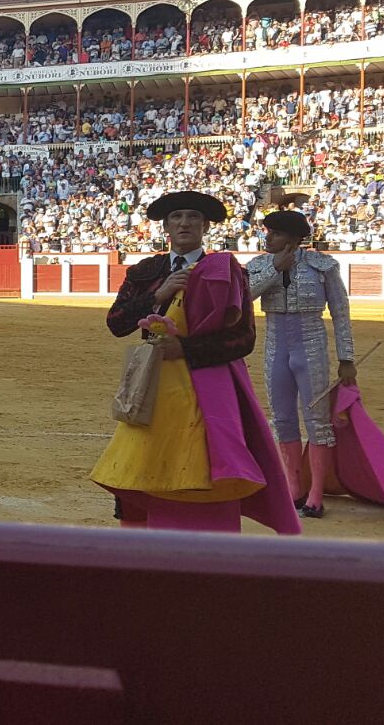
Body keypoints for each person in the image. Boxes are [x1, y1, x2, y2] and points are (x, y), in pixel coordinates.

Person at [91, 191, 299, 534]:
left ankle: (204, 542)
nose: (184, 223)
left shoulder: (226, 271)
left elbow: (243, 339)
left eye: (191, 217)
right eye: (176, 217)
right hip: (152, 387)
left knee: (201, 463)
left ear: (204, 225)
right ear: (166, 226)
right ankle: (137, 547)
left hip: (207, 387)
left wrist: (184, 348)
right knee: (137, 461)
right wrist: (157, 296)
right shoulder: (146, 271)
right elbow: (117, 323)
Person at [246, 210, 354, 518]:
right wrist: (274, 270)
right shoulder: (259, 266)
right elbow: (240, 300)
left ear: (293, 239)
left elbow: (341, 312)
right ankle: (294, 489)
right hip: (275, 347)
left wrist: (346, 357)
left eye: (274, 234)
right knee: (282, 419)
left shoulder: (323, 266)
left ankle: (316, 494)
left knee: (317, 420)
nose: (267, 238)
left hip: (311, 346)